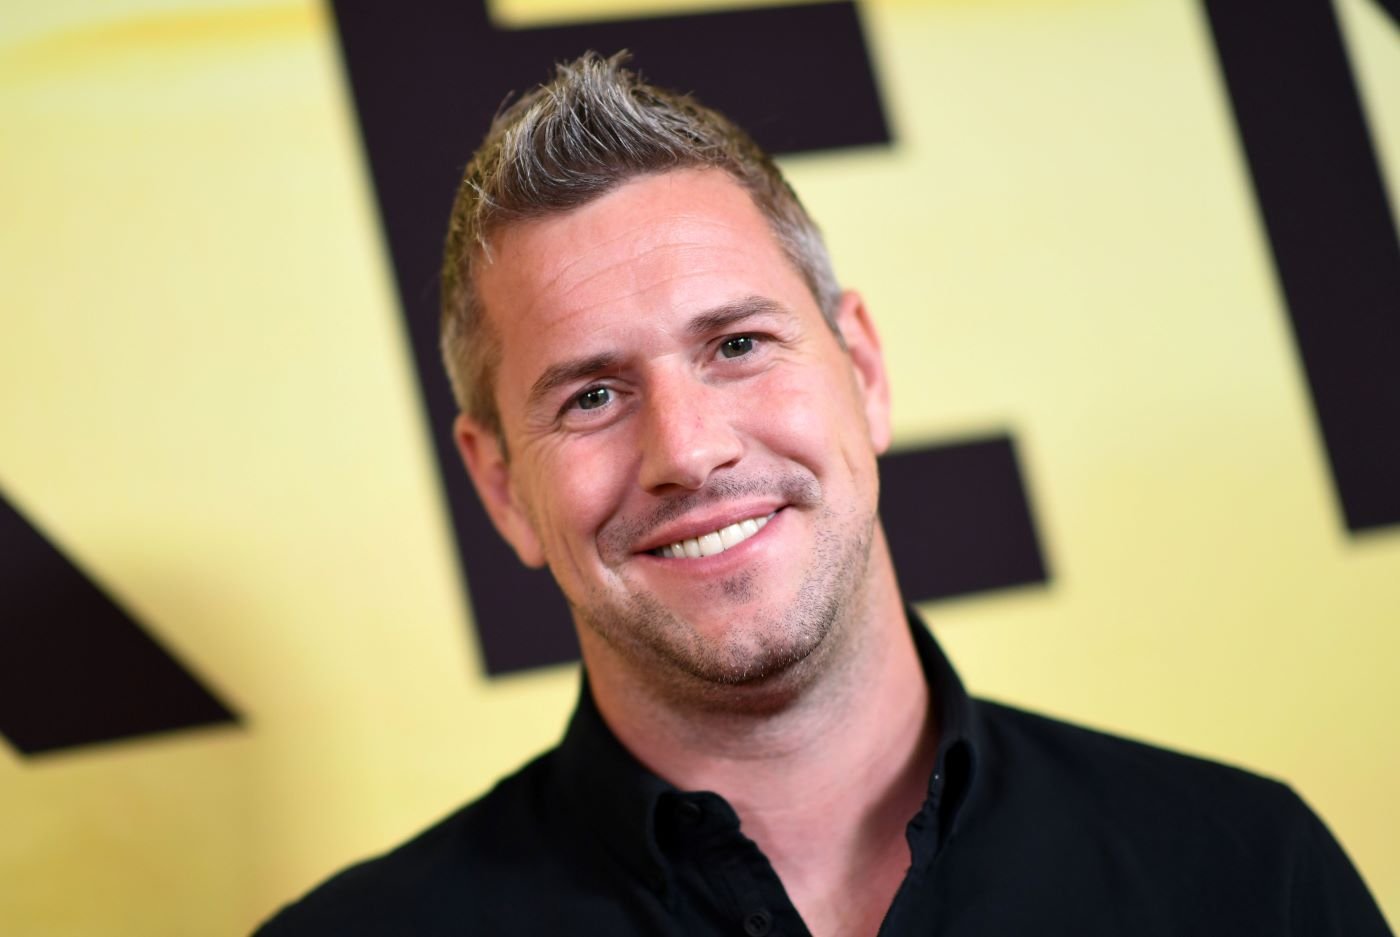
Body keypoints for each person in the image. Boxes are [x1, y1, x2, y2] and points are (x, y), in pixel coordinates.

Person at [255, 52, 1391, 936]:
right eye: (593, 395)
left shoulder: (1242, 870)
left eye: (737, 344)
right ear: (500, 484)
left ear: (863, 368)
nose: (688, 452)